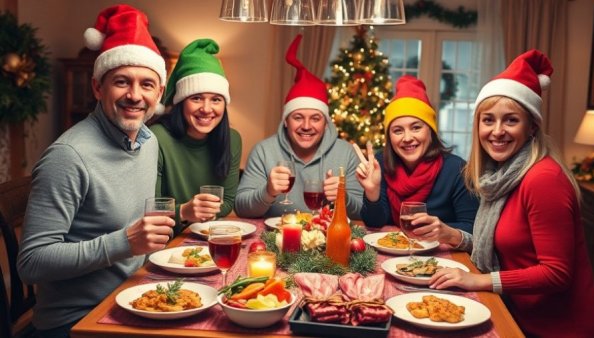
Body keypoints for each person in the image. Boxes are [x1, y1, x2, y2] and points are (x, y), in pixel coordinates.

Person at [17, 5, 174, 337]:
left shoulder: (148, 142)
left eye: (147, 84)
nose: (135, 95)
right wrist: (123, 242)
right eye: (121, 81)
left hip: (131, 299)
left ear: (159, 93)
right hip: (75, 322)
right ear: (97, 87)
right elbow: (31, 263)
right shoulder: (68, 156)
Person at [429, 50, 594, 337]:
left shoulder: (543, 179)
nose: (497, 131)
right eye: (488, 120)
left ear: (532, 125)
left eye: (510, 120)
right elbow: (504, 246)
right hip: (520, 314)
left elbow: (556, 273)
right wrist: (453, 235)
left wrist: (477, 281)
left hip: (557, 328)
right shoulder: (501, 175)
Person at [235, 34, 363, 219]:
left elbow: (362, 214)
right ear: (286, 120)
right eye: (297, 117)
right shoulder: (263, 151)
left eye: (316, 118)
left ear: (326, 122)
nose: (306, 126)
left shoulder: (346, 153)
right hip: (276, 241)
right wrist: (268, 191)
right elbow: (241, 208)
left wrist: (344, 198)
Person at [355, 75, 478, 246]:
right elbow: (375, 224)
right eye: (398, 130)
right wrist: (372, 192)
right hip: (395, 253)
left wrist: (445, 231)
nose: (407, 138)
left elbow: (473, 229)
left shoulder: (457, 169)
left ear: (431, 130)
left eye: (416, 127)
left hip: (444, 259)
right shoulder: (380, 163)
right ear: (389, 137)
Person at [151, 38, 241, 233]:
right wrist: (184, 211)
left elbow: (228, 201)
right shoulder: (157, 138)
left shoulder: (232, 140)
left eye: (216, 99)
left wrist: (202, 216)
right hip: (165, 240)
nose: (206, 109)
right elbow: (151, 207)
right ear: (182, 101)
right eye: (196, 98)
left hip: (209, 236)